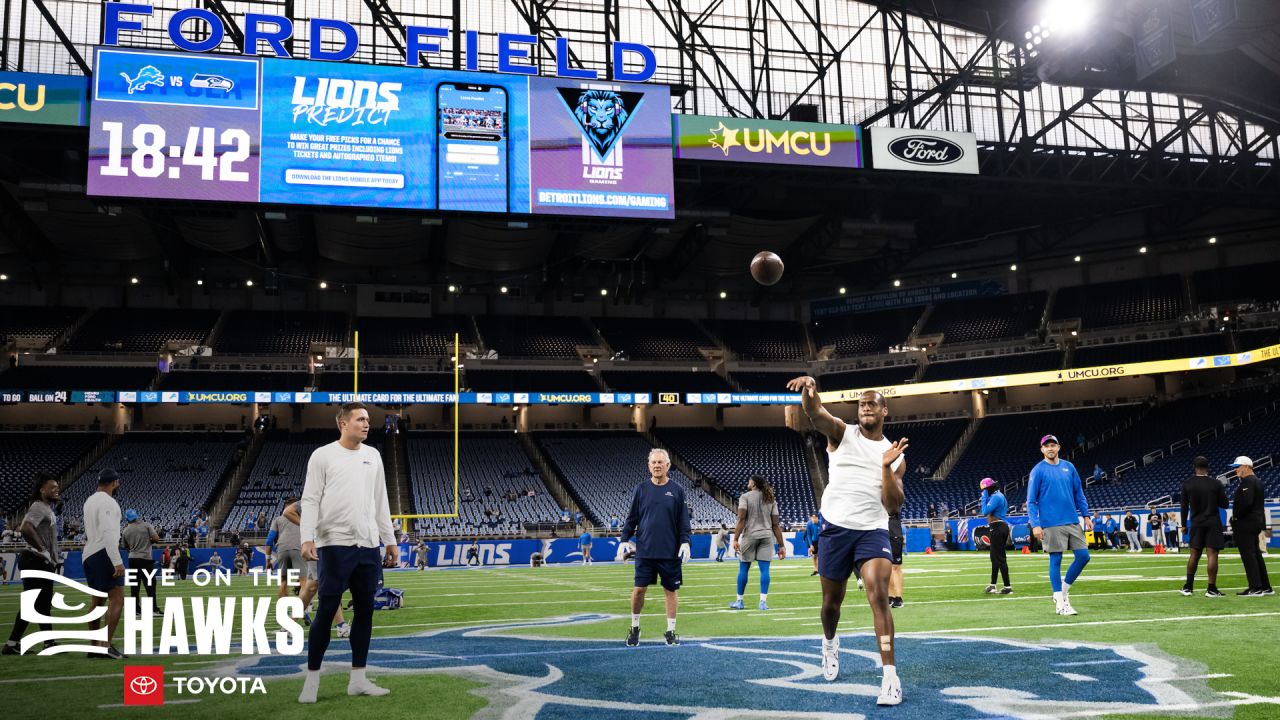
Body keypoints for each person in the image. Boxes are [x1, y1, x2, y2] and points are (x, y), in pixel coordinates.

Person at [786, 375, 905, 707]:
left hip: (873, 530)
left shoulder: (894, 453)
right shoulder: (842, 433)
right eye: (861, 404)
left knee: (879, 595)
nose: (865, 407)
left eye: (872, 403)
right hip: (836, 528)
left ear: (885, 410)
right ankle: (829, 643)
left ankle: (891, 678)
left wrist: (885, 468)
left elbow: (893, 505)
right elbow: (816, 414)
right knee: (830, 606)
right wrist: (811, 392)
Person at [298, 402, 399, 704]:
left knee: (365, 613)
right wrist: (307, 538)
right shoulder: (323, 455)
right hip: (335, 544)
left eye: (368, 419)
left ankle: (358, 679)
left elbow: (381, 501)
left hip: (368, 546)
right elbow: (311, 499)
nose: (366, 424)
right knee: (327, 610)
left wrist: (389, 540)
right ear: (343, 423)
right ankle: (312, 681)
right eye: (360, 419)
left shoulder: (373, 456)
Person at [621, 448, 691, 648]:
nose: (657, 465)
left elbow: (683, 521)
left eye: (661, 462)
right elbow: (632, 517)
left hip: (670, 552)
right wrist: (625, 538)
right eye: (654, 463)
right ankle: (635, 628)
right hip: (645, 551)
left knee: (670, 590)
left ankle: (670, 631)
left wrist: (685, 542)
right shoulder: (641, 489)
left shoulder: (677, 490)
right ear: (649, 465)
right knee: (638, 590)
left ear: (668, 465)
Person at [1026, 435, 1091, 617]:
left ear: (1059, 447)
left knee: (1084, 557)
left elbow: (1079, 493)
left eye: (1053, 445)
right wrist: (1035, 524)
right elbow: (1031, 501)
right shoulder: (1037, 471)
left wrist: (1086, 515)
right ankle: (1061, 603)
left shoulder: (1069, 467)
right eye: (1046, 446)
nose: (1050, 448)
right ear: (1042, 450)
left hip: (1071, 520)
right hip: (1051, 523)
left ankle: (1061, 592)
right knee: (1056, 560)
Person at [3, 473, 61, 655]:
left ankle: (47, 643)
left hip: (41, 561)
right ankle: (12, 644)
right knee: (34, 604)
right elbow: (26, 527)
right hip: (36, 560)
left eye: (57, 487)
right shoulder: (38, 506)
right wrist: (42, 549)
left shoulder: (45, 508)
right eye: (52, 488)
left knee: (42, 604)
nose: (56, 490)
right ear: (42, 490)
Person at [82, 469, 127, 658]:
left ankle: (94, 646)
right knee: (117, 598)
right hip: (104, 553)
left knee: (97, 601)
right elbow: (109, 532)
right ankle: (105, 645)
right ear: (115, 482)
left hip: (89, 553)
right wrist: (117, 561)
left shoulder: (90, 500)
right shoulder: (108, 502)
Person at [729, 476, 786, 611]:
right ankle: (762, 602)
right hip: (767, 536)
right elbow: (776, 525)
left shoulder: (745, 497)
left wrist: (736, 539)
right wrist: (782, 545)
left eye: (749, 480)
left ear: (753, 484)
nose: (748, 482)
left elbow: (741, 519)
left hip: (750, 536)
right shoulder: (770, 498)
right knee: (765, 570)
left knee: (743, 569)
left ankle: (740, 601)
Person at [1181, 456, 1229, 597]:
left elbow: (1184, 507)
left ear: (1194, 467)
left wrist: (1184, 524)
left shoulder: (1187, 484)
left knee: (1194, 554)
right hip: (1213, 522)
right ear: (1208, 467)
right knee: (1212, 554)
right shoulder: (1216, 483)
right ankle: (1211, 589)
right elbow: (1225, 504)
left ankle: (1188, 587)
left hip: (1196, 523)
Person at [1229, 457, 1273, 596]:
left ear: (1247, 467)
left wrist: (1235, 517)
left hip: (1245, 523)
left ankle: (1255, 587)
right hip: (1254, 522)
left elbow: (1247, 503)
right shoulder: (1257, 481)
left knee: (1248, 555)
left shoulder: (1248, 481)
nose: (1235, 469)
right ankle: (1265, 586)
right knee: (1256, 554)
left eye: (1238, 466)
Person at [122, 509, 161, 616]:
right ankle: (153, 610)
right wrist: (148, 540)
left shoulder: (125, 530)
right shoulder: (146, 525)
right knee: (150, 585)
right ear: (136, 516)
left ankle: (136, 610)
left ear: (127, 518)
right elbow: (157, 539)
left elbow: (125, 546)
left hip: (132, 559)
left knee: (134, 586)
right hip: (145, 558)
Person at [267, 498, 305, 600]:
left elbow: (269, 540)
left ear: (285, 506)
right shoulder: (303, 519)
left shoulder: (277, 519)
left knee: (284, 581)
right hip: (298, 547)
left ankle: (283, 611)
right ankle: (304, 609)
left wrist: (268, 560)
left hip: (282, 548)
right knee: (304, 581)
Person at [980, 478, 1012, 594]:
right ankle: (993, 585)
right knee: (995, 558)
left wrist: (984, 497)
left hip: (997, 527)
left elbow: (984, 511)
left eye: (984, 490)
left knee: (999, 558)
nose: (983, 492)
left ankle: (1007, 587)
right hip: (998, 526)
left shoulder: (996, 497)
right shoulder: (997, 496)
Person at [887, 511, 905, 608]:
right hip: (882, 534)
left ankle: (898, 597)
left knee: (895, 567)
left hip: (894, 535)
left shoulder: (892, 499)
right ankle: (890, 596)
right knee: (886, 567)